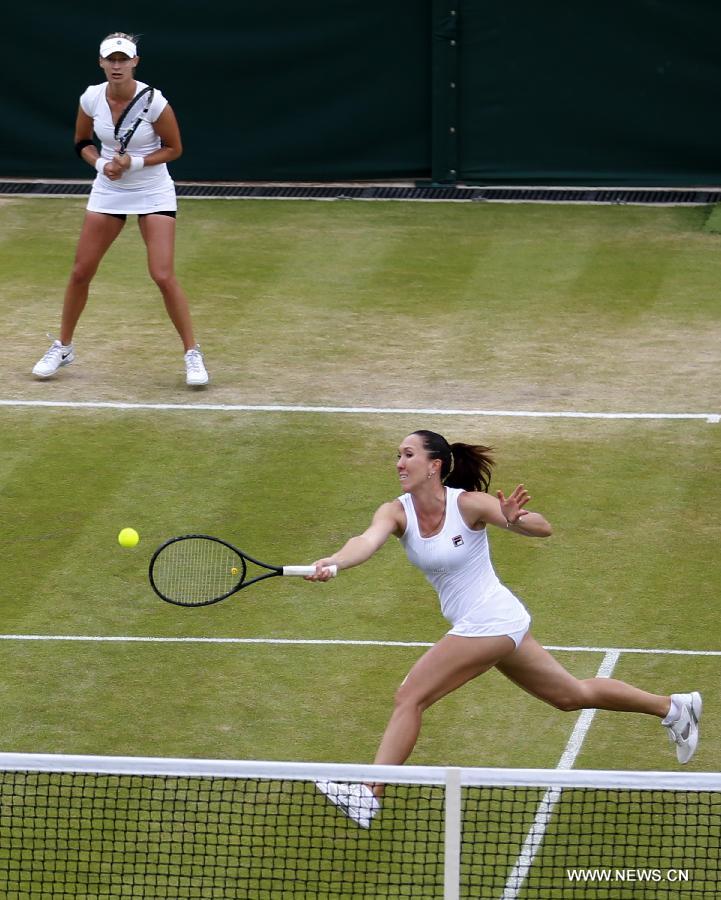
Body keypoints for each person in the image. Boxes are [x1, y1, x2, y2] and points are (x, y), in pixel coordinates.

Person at [308, 430, 702, 828]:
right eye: (397, 455)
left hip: (491, 619)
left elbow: (543, 527)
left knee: (409, 696)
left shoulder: (469, 504)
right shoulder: (395, 512)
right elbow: (365, 541)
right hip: (494, 623)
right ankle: (673, 707)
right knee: (571, 695)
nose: (399, 463)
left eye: (408, 455)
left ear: (434, 465)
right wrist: (336, 562)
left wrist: (516, 520)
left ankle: (369, 792)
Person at [32, 32, 209, 387]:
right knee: (81, 272)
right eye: (110, 59)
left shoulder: (155, 102)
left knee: (162, 274)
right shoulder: (91, 97)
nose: (117, 65)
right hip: (109, 188)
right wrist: (102, 165)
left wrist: (136, 163)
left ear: (135, 63)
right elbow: (82, 142)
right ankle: (63, 347)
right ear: (101, 62)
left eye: (123, 59)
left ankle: (193, 353)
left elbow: (174, 148)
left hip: (152, 189)